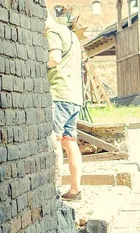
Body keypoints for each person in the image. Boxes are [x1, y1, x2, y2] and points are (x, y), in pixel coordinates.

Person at [45, 15, 84, 202]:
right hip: (74, 97)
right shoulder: (71, 34)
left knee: (55, 142)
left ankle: (54, 190)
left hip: (59, 95)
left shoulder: (52, 31)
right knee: (70, 143)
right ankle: (75, 190)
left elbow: (55, 58)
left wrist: (39, 67)